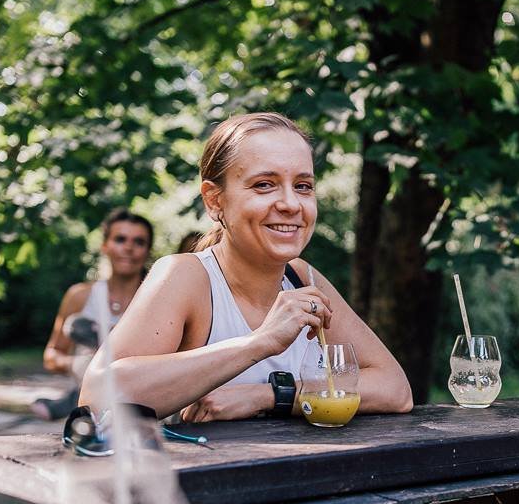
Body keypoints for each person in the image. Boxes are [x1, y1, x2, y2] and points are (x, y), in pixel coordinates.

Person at [80, 112, 412, 420]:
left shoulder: (303, 277)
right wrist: (259, 342)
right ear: (214, 200)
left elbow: (395, 390)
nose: (291, 204)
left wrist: (270, 396)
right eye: (264, 184)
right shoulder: (186, 276)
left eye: (303, 186)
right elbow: (96, 398)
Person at [31, 208, 153, 420]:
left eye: (139, 242)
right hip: (89, 414)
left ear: (148, 251)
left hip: (140, 405)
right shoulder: (79, 296)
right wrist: (78, 365)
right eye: (120, 239)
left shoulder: (156, 298)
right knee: (78, 327)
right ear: (105, 245)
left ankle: (67, 402)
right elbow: (51, 356)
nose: (129, 247)